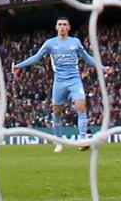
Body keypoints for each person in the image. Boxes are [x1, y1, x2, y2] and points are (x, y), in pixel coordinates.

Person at [12, 16, 113, 151]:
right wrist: (20, 65)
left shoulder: (75, 42)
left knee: (81, 106)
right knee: (57, 112)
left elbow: (87, 58)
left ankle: (83, 139)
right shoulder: (50, 43)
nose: (62, 27)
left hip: (74, 80)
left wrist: (103, 68)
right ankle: (59, 141)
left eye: (65, 24)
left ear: (69, 27)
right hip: (59, 82)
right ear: (56, 27)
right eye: (60, 24)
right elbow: (37, 57)